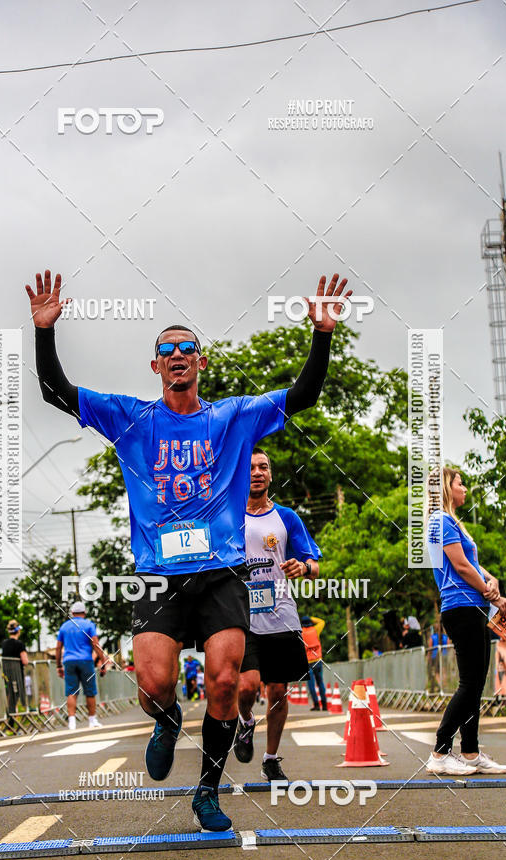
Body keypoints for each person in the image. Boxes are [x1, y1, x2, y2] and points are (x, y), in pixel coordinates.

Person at [28, 266, 350, 830]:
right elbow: (56, 391)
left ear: (200, 362)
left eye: (188, 348)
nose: (178, 355)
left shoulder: (232, 419)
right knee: (153, 687)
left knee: (228, 681)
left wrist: (321, 335)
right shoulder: (131, 419)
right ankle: (167, 717)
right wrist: (45, 331)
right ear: (156, 366)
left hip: (222, 571)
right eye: (167, 350)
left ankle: (207, 790)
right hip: (158, 574)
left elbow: (304, 394)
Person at [233, 447, 321, 780]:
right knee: (247, 687)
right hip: (242, 615)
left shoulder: (286, 517)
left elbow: (314, 564)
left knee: (278, 690)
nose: (256, 472)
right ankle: (245, 720)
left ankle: (271, 758)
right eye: (251, 467)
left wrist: (303, 566)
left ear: (270, 475)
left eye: (263, 467)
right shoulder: (228, 515)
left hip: (281, 612)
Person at [425, 467, 506, 776]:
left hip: (472, 606)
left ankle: (471, 752)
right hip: (461, 607)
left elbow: (470, 562)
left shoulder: (452, 522)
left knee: (475, 684)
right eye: (461, 483)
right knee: (470, 684)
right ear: (448, 488)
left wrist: (490, 577)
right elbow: (460, 565)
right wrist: (492, 594)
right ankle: (440, 752)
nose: (465, 488)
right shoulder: (441, 520)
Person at [55, 601, 110, 730]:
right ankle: (92, 720)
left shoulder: (64, 627)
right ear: (84, 613)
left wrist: (58, 665)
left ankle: (72, 722)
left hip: (69, 661)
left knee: (71, 692)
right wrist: (103, 661)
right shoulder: (89, 625)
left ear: (72, 613)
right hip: (86, 660)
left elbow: (58, 648)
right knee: (90, 691)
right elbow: (95, 645)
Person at [1, 620, 29, 719]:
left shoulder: (4, 643)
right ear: (18, 631)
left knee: (9, 695)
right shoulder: (19, 644)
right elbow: (25, 660)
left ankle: (10, 719)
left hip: (6, 674)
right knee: (15, 696)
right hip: (17, 674)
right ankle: (12, 720)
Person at [302, 615, 327, 711]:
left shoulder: (301, 632)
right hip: (318, 661)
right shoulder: (316, 629)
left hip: (308, 663)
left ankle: (316, 705)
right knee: (320, 682)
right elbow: (322, 621)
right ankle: (324, 705)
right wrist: (312, 618)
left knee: (311, 684)